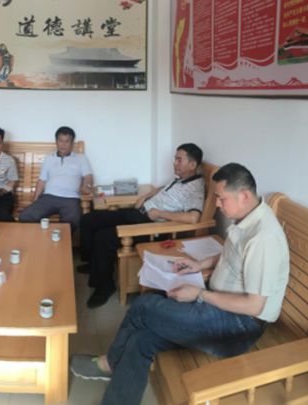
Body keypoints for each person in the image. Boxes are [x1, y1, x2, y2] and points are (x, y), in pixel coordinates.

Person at [70, 162, 290, 405]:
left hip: (238, 327)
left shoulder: (263, 238)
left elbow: (254, 306)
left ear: (244, 196)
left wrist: (199, 295)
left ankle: (110, 363)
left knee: (143, 306)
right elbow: (231, 255)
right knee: (141, 339)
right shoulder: (245, 217)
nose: (217, 204)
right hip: (219, 306)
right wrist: (199, 264)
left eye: (221, 198)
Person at [79, 143, 205, 308]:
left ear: (193, 165)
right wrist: (145, 196)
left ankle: (105, 286)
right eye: (175, 159)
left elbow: (194, 217)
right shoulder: (180, 179)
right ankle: (93, 264)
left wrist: (160, 213)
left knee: (104, 237)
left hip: (152, 227)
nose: (174, 163)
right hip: (138, 214)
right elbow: (163, 189)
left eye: (179, 160)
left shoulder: (195, 188)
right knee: (88, 220)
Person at [19, 126, 93, 231]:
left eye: (67, 141)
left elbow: (88, 177)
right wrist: (35, 201)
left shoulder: (81, 158)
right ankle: (40, 240)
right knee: (26, 216)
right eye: (60, 140)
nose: (63, 144)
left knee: (71, 223)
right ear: (56, 142)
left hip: (70, 199)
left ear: (72, 143)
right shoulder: (49, 158)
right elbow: (42, 181)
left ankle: (59, 241)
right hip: (49, 197)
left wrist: (86, 186)